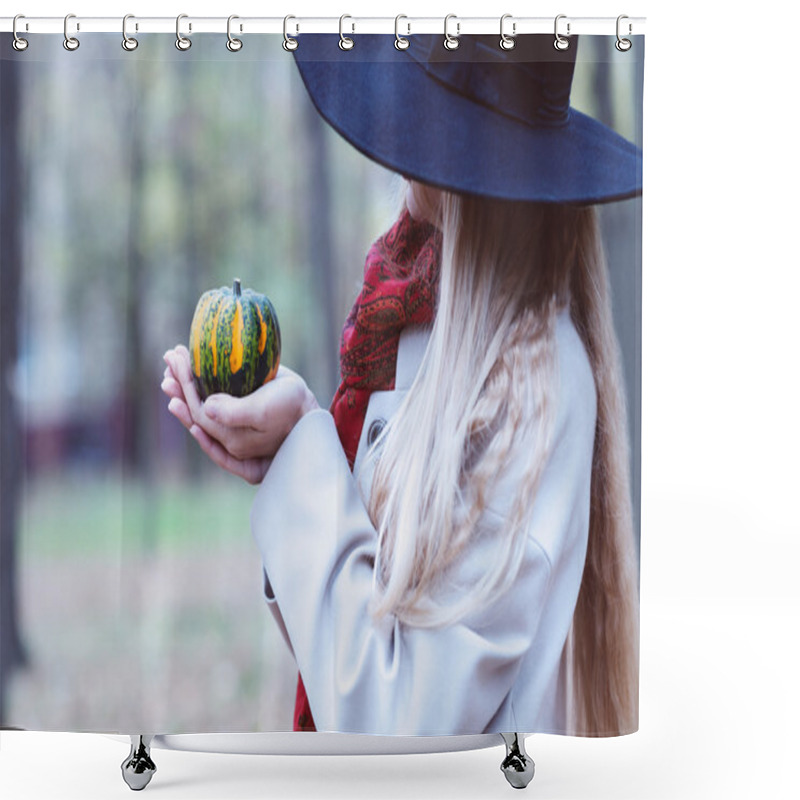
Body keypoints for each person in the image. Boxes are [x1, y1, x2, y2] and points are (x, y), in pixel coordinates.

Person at [161, 33, 641, 737]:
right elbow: (349, 657)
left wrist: (302, 448)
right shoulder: (420, 328)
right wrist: (291, 460)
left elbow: (395, 728)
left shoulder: (526, 387)